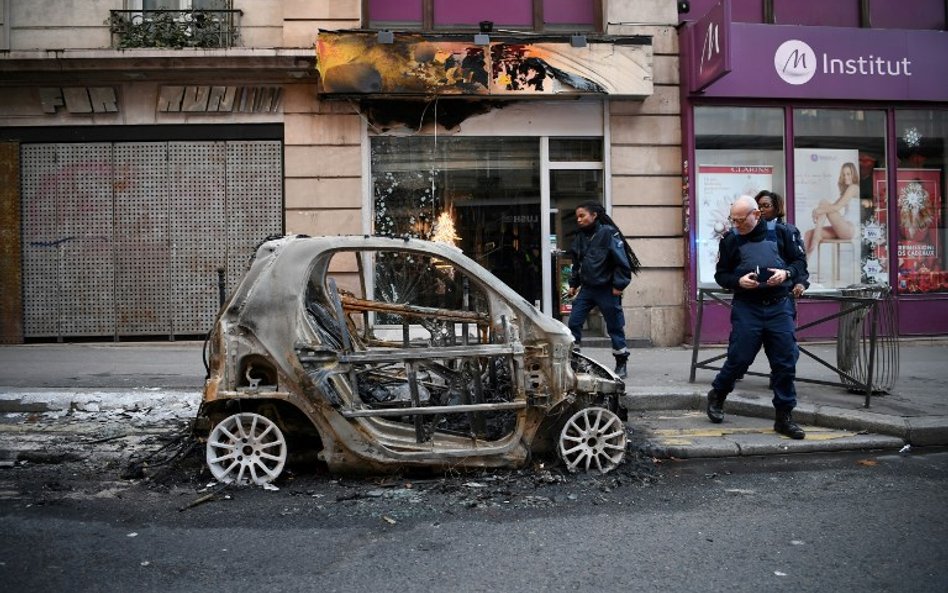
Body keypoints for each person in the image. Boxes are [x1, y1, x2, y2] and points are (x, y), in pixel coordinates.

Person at [707, 195, 807, 439]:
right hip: (747, 306)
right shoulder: (730, 240)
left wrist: (786, 273)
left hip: (779, 306)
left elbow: (800, 264)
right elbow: (721, 275)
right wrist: (737, 281)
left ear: (757, 215)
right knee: (739, 358)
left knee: (784, 362)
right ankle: (718, 394)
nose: (736, 225)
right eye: (734, 220)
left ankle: (784, 417)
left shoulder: (784, 232)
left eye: (741, 220)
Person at [566, 201, 642, 378]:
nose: (579, 220)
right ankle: (575, 361)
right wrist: (573, 284)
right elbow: (577, 264)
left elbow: (621, 262)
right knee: (574, 322)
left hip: (607, 289)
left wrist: (618, 285)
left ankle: (621, 362)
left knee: (614, 326)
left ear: (594, 215)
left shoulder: (608, 233)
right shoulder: (580, 237)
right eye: (577, 216)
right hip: (587, 290)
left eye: (582, 215)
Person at [755, 190, 808, 298]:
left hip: (782, 293)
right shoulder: (748, 230)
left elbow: (799, 261)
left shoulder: (787, 231)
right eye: (758, 206)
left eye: (766, 206)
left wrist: (800, 283)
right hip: (753, 294)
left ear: (776, 208)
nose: (761, 209)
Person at [803, 162, 859, 261]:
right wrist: (818, 211)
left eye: (848, 174)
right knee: (808, 234)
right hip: (842, 228)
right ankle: (803, 263)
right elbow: (831, 207)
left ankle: (817, 236)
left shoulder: (854, 188)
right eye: (843, 174)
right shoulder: (847, 191)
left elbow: (836, 208)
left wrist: (818, 211)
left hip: (850, 229)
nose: (845, 177)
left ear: (853, 174)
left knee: (823, 202)